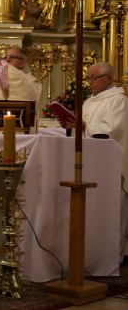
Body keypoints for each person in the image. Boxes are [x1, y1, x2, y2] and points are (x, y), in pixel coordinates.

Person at [61, 62, 128, 258]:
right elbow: (83, 130)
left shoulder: (119, 100)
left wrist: (84, 126)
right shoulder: (89, 102)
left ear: (108, 78)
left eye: (93, 78)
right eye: (88, 78)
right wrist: (71, 125)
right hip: (90, 161)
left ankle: (112, 255)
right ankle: (89, 252)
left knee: (111, 208)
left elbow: (111, 130)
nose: (89, 83)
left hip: (110, 165)